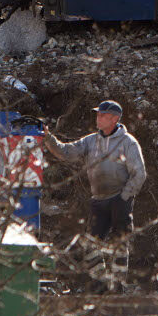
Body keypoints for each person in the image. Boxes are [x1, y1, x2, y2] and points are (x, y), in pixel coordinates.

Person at [43, 99, 146, 291]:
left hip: (119, 199)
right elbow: (67, 152)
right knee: (91, 247)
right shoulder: (91, 141)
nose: (98, 118)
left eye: (102, 115)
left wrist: (125, 196)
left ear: (114, 119)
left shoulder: (128, 143)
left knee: (119, 245)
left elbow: (139, 173)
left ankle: (117, 288)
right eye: (97, 114)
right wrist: (48, 138)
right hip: (99, 200)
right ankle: (101, 286)